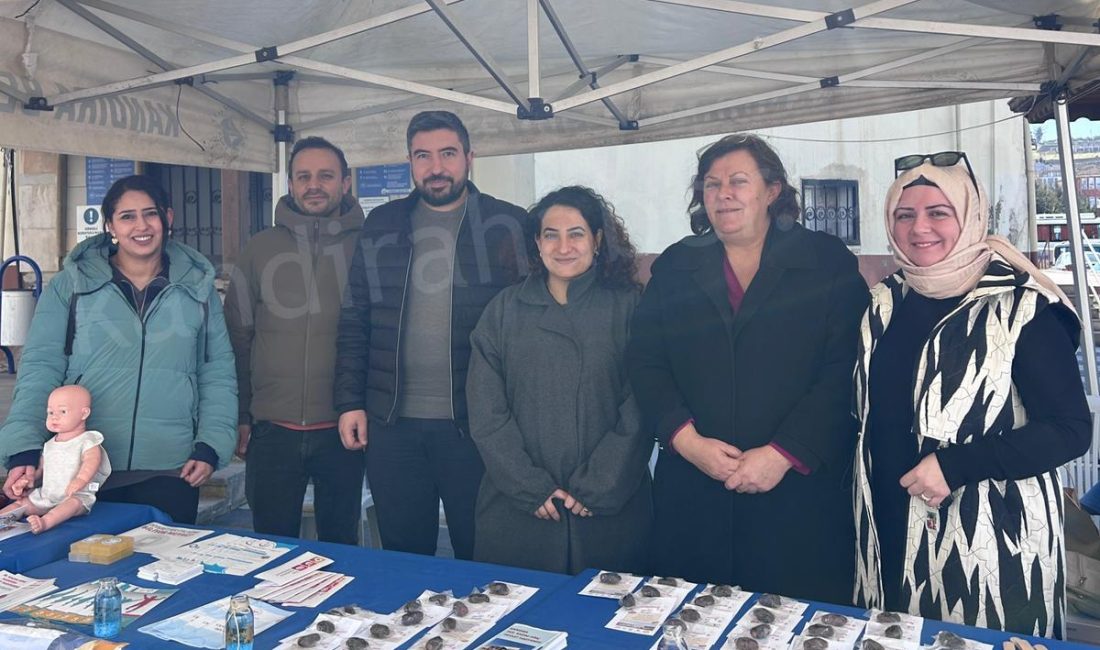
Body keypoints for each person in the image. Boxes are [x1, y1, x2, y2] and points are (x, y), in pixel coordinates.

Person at [853, 152, 1091, 637]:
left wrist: (955, 465)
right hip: (887, 527)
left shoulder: (1021, 305)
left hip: (991, 543)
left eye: (938, 212)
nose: (920, 227)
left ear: (970, 216)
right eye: (905, 214)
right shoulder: (885, 300)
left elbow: (1070, 431)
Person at [627, 134, 869, 603]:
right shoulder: (678, 265)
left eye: (739, 181)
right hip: (695, 489)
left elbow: (847, 368)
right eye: (712, 184)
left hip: (797, 494)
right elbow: (646, 359)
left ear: (772, 190)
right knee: (692, 620)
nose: (724, 194)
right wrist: (684, 439)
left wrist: (783, 453)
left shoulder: (825, 263)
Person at [333, 110, 529, 559]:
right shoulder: (382, 225)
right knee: (404, 556)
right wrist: (349, 402)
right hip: (392, 426)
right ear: (410, 162)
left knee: (483, 554)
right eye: (423, 155)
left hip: (477, 427)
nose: (436, 167)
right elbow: (354, 318)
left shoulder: (508, 224)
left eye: (447, 154)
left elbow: (527, 327)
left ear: (469, 158)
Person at [0, 175, 237, 524]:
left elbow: (216, 372)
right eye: (127, 216)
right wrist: (23, 445)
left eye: (150, 214)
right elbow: (41, 367)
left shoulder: (197, 289)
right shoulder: (72, 286)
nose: (141, 226)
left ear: (167, 218)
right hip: (79, 469)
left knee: (162, 572)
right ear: (110, 224)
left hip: (168, 468)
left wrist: (212, 445)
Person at [467, 186, 651, 574]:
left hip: (608, 508)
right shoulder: (503, 311)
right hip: (520, 509)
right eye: (551, 234)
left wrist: (603, 481)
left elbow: (643, 403)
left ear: (598, 240)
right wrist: (527, 486)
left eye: (577, 234)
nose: (563, 246)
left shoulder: (630, 307)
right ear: (536, 243)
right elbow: (486, 412)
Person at [225, 137, 366, 545]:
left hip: (343, 428)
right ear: (290, 183)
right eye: (303, 176)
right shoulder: (260, 248)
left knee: (340, 548)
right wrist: (242, 414)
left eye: (325, 175)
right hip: (272, 430)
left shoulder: (369, 245)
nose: (314, 185)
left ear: (347, 181)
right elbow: (238, 335)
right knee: (270, 548)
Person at [0, 385, 111, 533]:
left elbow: (92, 462)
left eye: (63, 411)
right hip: (47, 495)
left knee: (71, 505)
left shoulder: (87, 440)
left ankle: (45, 522)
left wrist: (81, 480)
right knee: (21, 503)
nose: (54, 416)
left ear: (84, 413)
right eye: (50, 412)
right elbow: (41, 470)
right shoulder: (49, 444)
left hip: (75, 495)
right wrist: (25, 480)